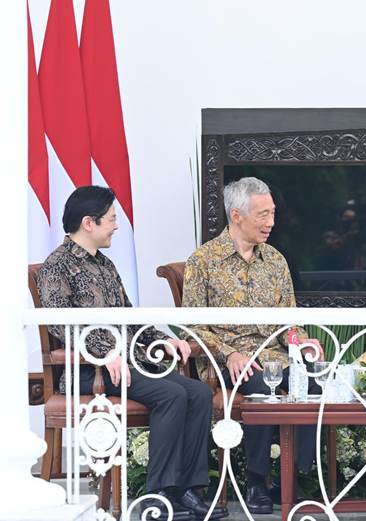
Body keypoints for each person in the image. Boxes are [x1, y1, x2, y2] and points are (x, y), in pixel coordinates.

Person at [37, 186, 226, 521]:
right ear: (89, 223)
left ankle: (188, 491)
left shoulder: (105, 264)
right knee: (171, 395)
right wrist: (103, 354)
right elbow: (59, 325)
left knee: (197, 392)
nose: (116, 226)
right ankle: (159, 496)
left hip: (128, 365)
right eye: (111, 219)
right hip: (89, 371)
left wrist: (166, 340)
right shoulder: (57, 266)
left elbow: (130, 318)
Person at [182, 177, 322, 515]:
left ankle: (296, 476)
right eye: (263, 215)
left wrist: (301, 342)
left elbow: (288, 322)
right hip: (226, 359)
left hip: (274, 355)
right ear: (236, 215)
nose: (271, 222)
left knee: (313, 382)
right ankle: (257, 481)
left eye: (272, 213)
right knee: (262, 387)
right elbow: (193, 328)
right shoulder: (203, 261)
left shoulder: (275, 260)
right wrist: (230, 354)